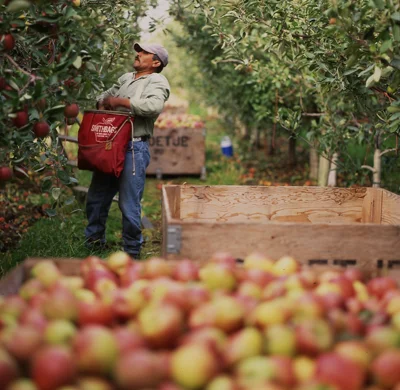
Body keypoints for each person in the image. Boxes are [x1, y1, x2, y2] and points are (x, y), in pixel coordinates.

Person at [84, 43, 170, 259]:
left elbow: (153, 107)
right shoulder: (125, 78)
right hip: (110, 145)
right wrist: (103, 102)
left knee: (128, 202)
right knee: (97, 196)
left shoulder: (156, 81)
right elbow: (105, 97)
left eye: (144, 53)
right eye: (138, 51)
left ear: (156, 62)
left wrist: (122, 102)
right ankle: (94, 243)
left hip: (134, 147)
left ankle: (132, 251)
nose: (138, 54)